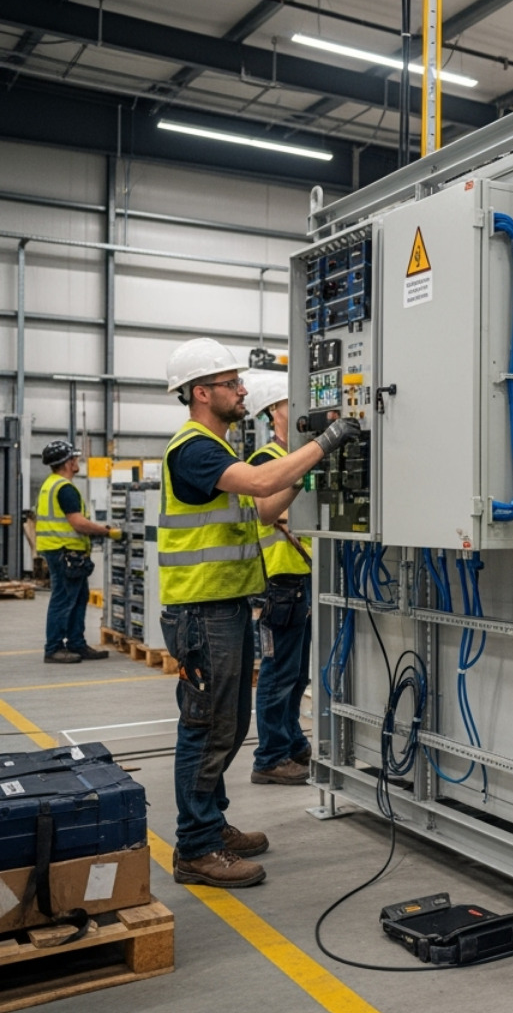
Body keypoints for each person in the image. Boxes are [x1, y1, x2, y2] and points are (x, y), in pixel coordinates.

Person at [159, 337, 357, 888]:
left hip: (224, 607)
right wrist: (328, 439)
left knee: (229, 723)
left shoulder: (217, 450)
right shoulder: (194, 448)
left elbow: (267, 505)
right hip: (202, 610)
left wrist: (306, 471)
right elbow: (262, 481)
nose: (242, 390)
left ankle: (211, 824)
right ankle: (195, 848)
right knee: (206, 728)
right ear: (202, 393)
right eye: (230, 383)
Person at [242, 371, 315, 786]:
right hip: (281, 585)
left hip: (301, 583)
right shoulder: (266, 461)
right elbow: (269, 511)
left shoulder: (293, 457)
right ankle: (269, 756)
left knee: (298, 673)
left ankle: (290, 741)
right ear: (274, 411)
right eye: (292, 404)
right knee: (278, 673)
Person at [35, 439, 119, 664]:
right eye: (74, 458)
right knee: (63, 600)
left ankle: (76, 643)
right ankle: (53, 648)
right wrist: (106, 531)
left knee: (78, 597)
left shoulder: (50, 484)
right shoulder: (64, 488)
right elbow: (78, 523)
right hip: (65, 552)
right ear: (67, 463)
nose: (77, 460)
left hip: (61, 551)